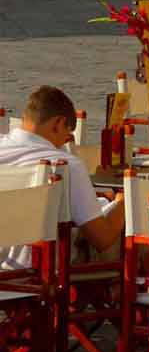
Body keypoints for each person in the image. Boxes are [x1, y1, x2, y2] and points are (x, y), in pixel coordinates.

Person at [0, 86, 124, 269]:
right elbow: (102, 238)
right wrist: (125, 202)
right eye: (67, 135)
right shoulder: (64, 165)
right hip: (35, 276)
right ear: (58, 123)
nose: (65, 142)